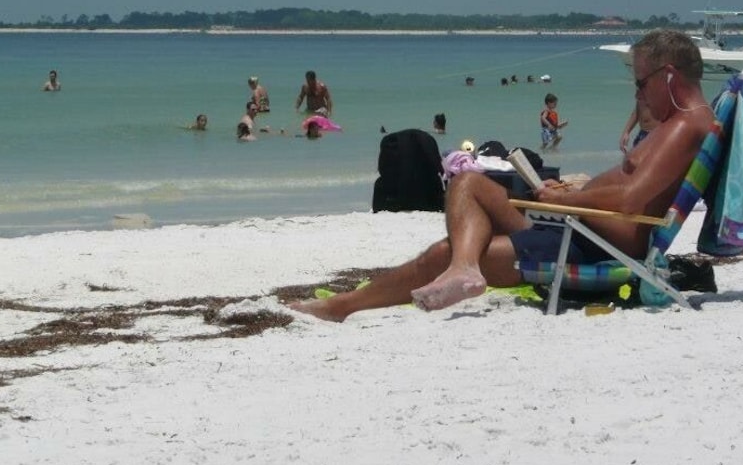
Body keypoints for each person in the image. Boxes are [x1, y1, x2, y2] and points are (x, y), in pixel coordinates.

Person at [290, 28, 715, 322]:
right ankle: (464, 268)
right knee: (467, 182)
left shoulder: (685, 127)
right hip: (581, 229)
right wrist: (568, 191)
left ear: (670, 76)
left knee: (442, 250)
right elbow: (629, 188)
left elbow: (630, 202)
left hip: (592, 247)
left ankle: (345, 305)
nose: (637, 93)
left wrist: (562, 202)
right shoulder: (682, 125)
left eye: (641, 83)